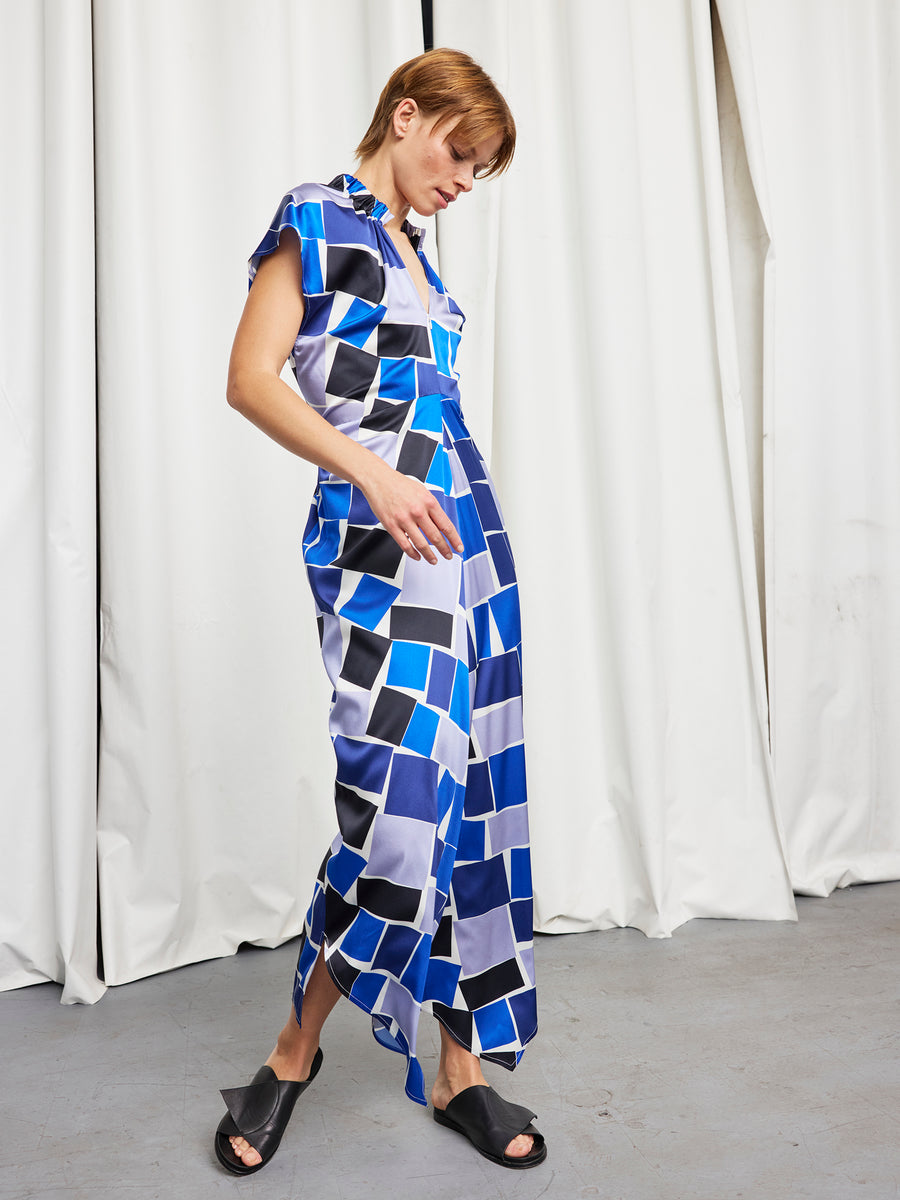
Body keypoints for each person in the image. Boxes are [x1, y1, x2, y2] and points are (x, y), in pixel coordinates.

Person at [214, 47, 544, 1176]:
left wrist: (443, 501)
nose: (464, 182)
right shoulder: (320, 216)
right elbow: (252, 377)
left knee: (470, 802)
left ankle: (460, 1071)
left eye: (482, 171)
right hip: (375, 545)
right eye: (459, 154)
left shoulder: (420, 258)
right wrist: (370, 473)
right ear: (407, 115)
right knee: (396, 811)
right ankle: (293, 1048)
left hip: (468, 547)